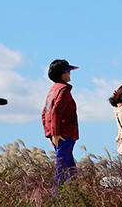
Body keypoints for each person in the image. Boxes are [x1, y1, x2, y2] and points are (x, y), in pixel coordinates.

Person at [42, 59, 79, 190]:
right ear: (61, 74)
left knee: (72, 172)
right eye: (67, 71)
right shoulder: (63, 89)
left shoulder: (52, 91)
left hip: (59, 135)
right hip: (64, 134)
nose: (69, 74)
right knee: (62, 169)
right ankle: (55, 200)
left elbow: (45, 113)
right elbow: (55, 111)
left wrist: (49, 134)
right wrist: (55, 133)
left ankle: (74, 199)